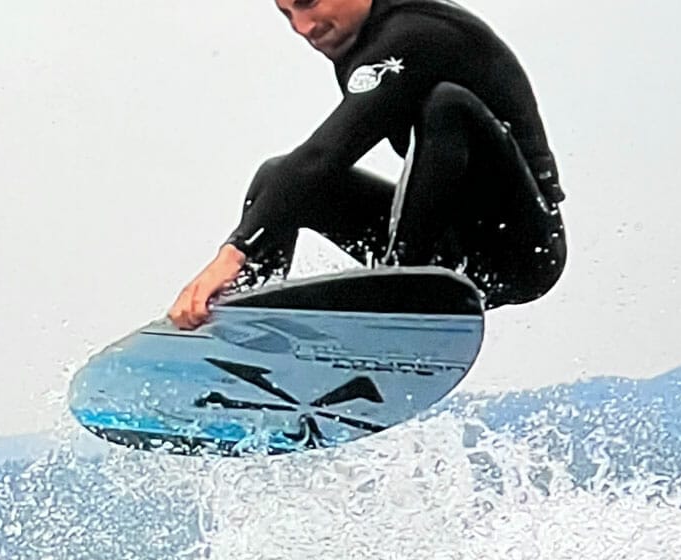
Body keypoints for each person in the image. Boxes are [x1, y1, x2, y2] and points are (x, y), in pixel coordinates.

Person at [168, 0, 566, 330]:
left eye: (308, 3)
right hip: (442, 250)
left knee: (447, 106)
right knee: (277, 175)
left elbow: (327, 154)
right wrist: (243, 259)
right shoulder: (363, 44)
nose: (303, 28)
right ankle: (240, 331)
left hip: (521, 251)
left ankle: (398, 293)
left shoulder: (419, 32)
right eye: (287, 14)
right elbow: (308, 172)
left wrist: (233, 252)